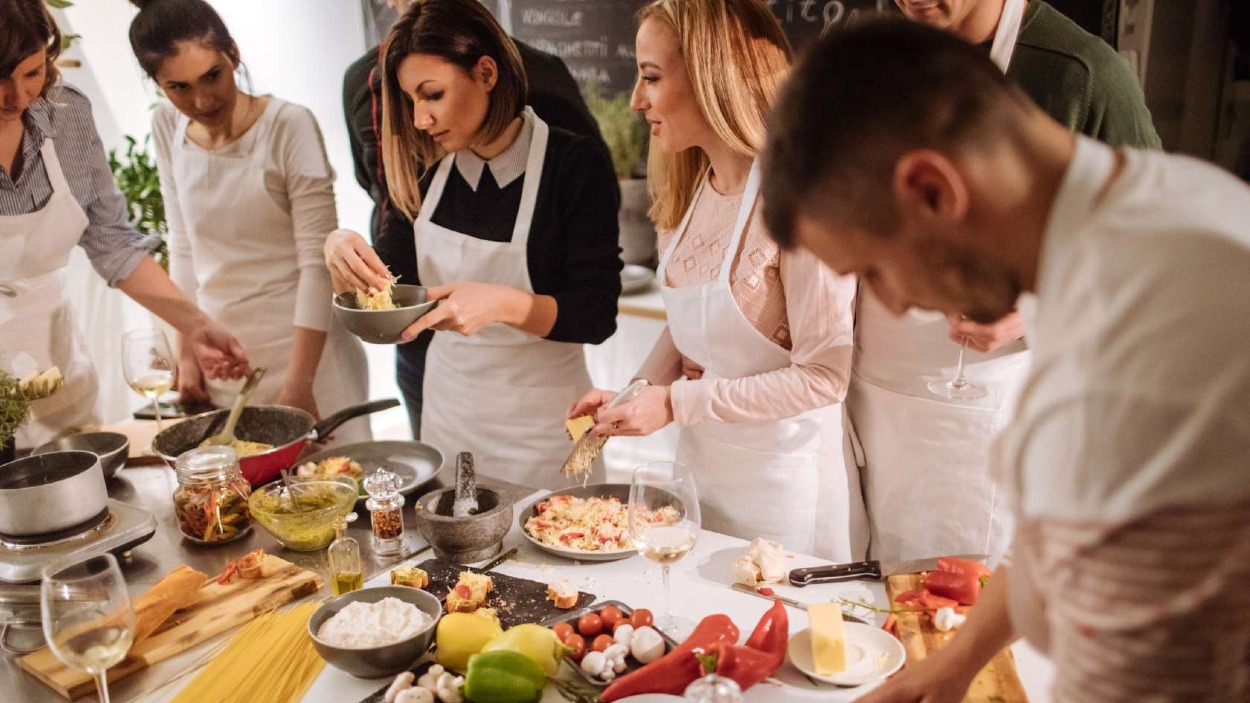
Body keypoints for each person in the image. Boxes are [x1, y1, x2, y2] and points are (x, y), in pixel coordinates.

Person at [761, 19, 1250, 702]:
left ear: (933, 189)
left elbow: (1149, 676)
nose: (893, 307)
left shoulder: (1156, 317)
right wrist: (951, 665)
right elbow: (1057, 528)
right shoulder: (1111, 230)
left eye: (873, 270)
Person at [847, 0, 1162, 564]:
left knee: (963, 617)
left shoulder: (1079, 74)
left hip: (990, 416)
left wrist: (1036, 309)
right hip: (873, 405)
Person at [569, 0, 864, 561]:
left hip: (787, 492)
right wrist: (633, 397)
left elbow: (826, 377)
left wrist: (677, 404)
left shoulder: (801, 199)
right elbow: (688, 329)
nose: (635, 100)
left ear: (712, 76)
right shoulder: (688, 192)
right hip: (704, 478)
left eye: (651, 77)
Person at [325, 0, 621, 489]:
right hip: (452, 415)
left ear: (485, 72)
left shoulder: (574, 164)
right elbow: (395, 292)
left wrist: (503, 304)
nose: (420, 119)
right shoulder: (426, 169)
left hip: (549, 421)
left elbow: (596, 314)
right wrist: (342, 251)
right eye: (411, 100)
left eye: (432, 94)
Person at [0, 0, 249, 449]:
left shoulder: (66, 115)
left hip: (56, 371)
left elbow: (112, 243)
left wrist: (197, 326)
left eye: (32, 73)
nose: (16, 97)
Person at [130, 0, 370, 439]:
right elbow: (182, 245)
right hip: (227, 358)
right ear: (158, 86)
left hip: (310, 358)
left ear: (233, 55)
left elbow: (316, 263)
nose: (201, 100)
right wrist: (187, 350)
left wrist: (299, 386)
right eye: (178, 87)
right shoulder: (167, 127)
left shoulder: (288, 126)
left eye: (212, 76)